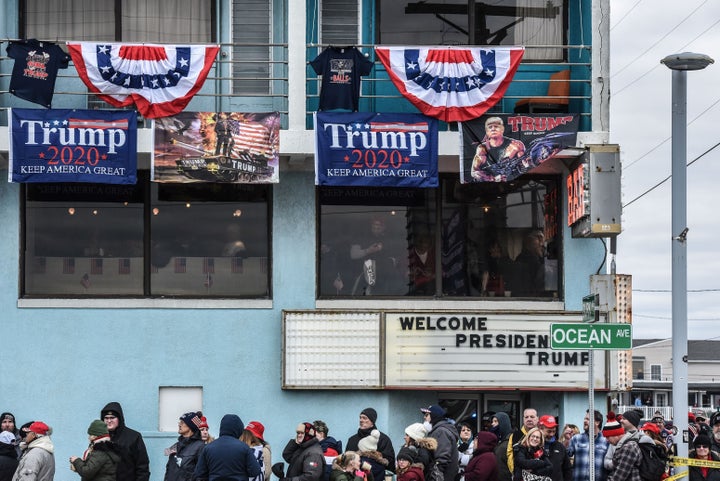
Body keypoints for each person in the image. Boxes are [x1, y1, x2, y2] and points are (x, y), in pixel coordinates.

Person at [193, 414, 261, 481]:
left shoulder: (208, 448)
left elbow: (199, 472)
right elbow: (255, 471)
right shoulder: (244, 447)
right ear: (238, 430)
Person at [349, 218, 404, 296]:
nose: (376, 227)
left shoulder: (388, 239)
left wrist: (390, 258)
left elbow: (397, 256)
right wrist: (368, 250)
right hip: (364, 274)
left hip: (385, 277)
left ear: (384, 227)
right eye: (374, 225)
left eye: (379, 226)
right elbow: (353, 255)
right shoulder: (361, 237)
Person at [100, 402, 150, 481]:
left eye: (112, 417)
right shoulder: (98, 438)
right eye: (106, 418)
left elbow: (142, 467)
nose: (109, 421)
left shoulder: (133, 437)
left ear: (119, 418)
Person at [470, 116, 526, 182]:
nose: (493, 129)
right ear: (487, 131)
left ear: (502, 129)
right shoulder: (482, 148)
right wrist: (492, 178)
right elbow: (474, 172)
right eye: (490, 127)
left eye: (496, 126)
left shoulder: (516, 145)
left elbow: (524, 167)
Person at [346, 408, 395, 481]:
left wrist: (375, 457)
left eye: (365, 418)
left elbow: (390, 461)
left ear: (372, 421)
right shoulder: (352, 440)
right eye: (360, 417)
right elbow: (346, 461)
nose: (361, 420)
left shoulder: (383, 439)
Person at [603, 411, 647, 481]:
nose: (606, 440)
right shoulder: (624, 445)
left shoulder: (629, 447)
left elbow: (618, 477)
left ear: (615, 434)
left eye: (608, 437)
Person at [567, 410, 609, 481]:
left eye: (587, 419)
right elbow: (566, 454)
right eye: (584, 418)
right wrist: (566, 440)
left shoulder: (606, 441)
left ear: (597, 422)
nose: (584, 421)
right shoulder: (577, 438)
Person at [420, 405, 459, 481]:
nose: (424, 417)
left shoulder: (441, 431)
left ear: (434, 416)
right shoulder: (438, 430)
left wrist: (436, 477)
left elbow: (442, 459)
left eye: (427, 415)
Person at [164, 412, 205, 481]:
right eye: (179, 422)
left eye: (182, 422)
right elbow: (168, 469)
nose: (179, 424)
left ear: (191, 426)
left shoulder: (200, 447)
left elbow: (202, 474)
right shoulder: (176, 445)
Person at [506, 408, 539, 477]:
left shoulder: (541, 435)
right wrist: (516, 472)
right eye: (526, 417)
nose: (529, 419)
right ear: (523, 419)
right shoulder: (515, 436)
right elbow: (510, 455)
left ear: (537, 419)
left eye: (532, 417)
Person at [537, 415, 571, 481]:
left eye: (554, 431)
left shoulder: (560, 447)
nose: (552, 434)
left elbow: (567, 470)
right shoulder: (533, 446)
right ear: (540, 428)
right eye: (549, 431)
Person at [514, 231, 546, 297]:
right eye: (538, 241)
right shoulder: (528, 259)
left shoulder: (535, 257)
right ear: (529, 244)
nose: (541, 245)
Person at [492, 412, 514, 481]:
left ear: (503, 423)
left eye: (495, 421)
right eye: (492, 421)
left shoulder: (511, 441)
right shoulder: (497, 441)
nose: (493, 424)